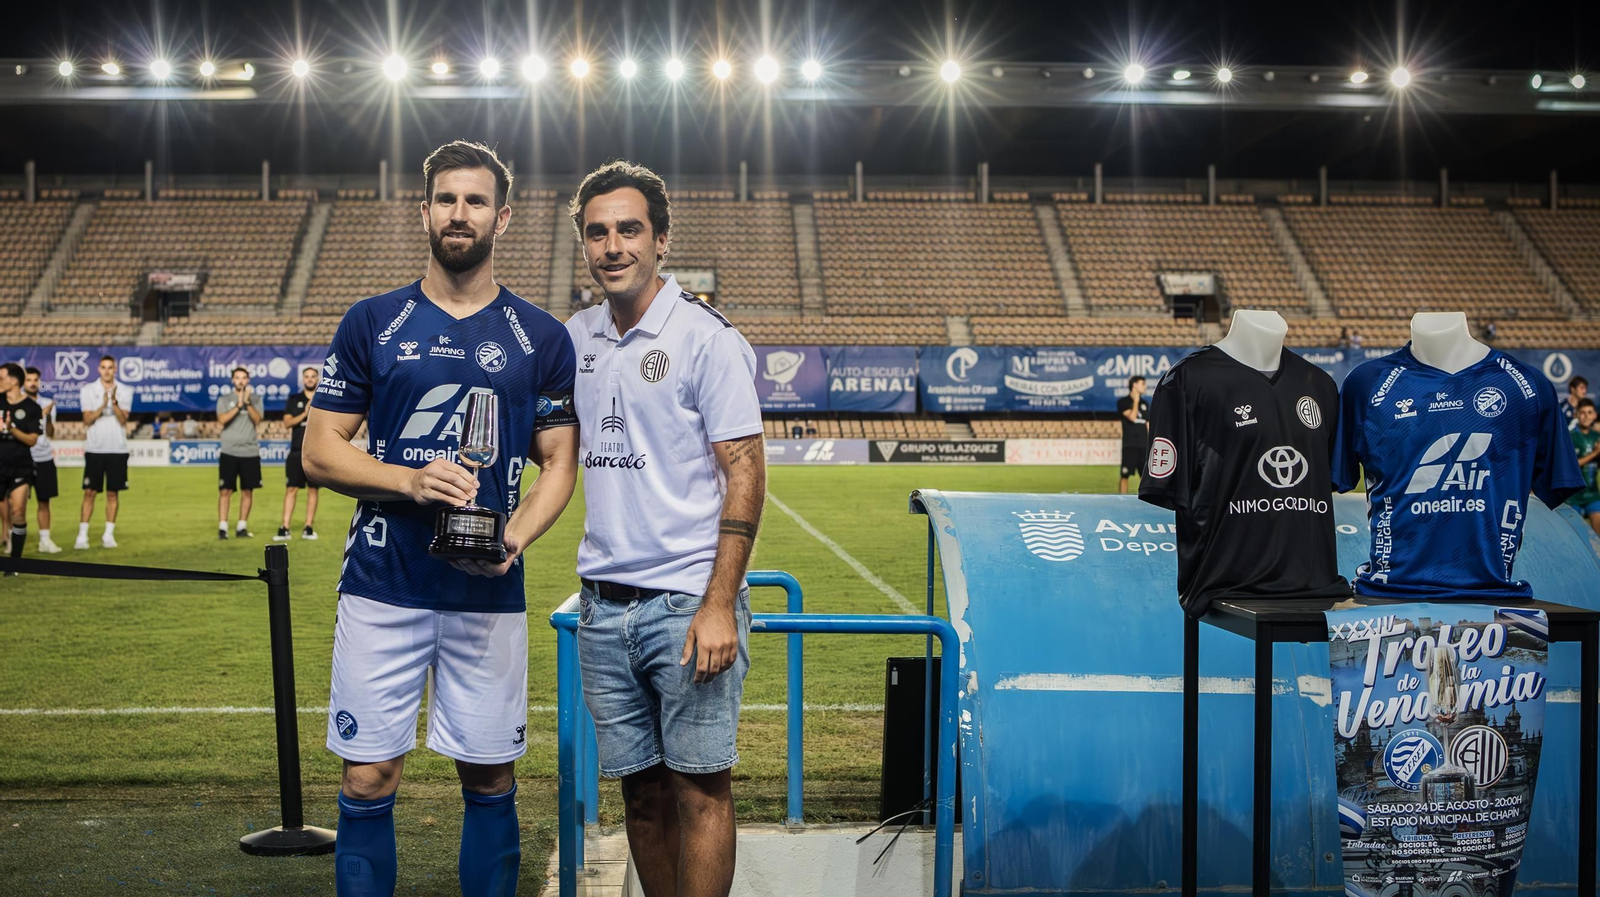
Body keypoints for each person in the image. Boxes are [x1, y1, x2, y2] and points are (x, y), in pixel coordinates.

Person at [302, 140, 578, 897]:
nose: (461, 213)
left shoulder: (540, 337)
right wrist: (409, 480)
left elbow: (560, 460)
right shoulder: (373, 321)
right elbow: (319, 452)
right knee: (367, 774)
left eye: (477, 200)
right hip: (382, 583)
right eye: (448, 199)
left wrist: (514, 537)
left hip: (486, 594)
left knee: (489, 773)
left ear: (504, 216)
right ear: (423, 211)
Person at [565, 160, 765, 897]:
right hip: (601, 605)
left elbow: (745, 469)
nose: (612, 245)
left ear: (661, 240)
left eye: (629, 229)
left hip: (686, 607)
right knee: (640, 794)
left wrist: (720, 603)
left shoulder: (704, 337)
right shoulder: (576, 337)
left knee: (700, 789)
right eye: (597, 232)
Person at [77, 354, 131, 550]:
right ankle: (82, 535)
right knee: (89, 492)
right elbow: (87, 419)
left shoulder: (125, 390)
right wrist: (102, 404)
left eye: (110, 367)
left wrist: (114, 402)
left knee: (112, 494)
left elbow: (123, 420)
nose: (107, 371)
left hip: (117, 449)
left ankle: (108, 535)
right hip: (95, 449)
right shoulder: (88, 390)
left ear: (115, 370)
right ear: (98, 369)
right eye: (103, 367)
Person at [0, 363, 43, 569]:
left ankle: (14, 564)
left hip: (20, 467)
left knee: (18, 512)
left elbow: (32, 440)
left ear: (14, 381)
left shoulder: (31, 408)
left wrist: (12, 429)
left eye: (1, 378)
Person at [216, 366, 264, 539]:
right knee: (225, 490)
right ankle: (223, 527)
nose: (241, 381)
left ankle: (242, 527)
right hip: (229, 450)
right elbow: (222, 420)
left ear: (248, 380)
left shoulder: (256, 399)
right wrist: (238, 405)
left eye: (244, 378)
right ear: (232, 380)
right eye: (237, 377)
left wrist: (248, 402)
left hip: (250, 451)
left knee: (247, 491)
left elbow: (257, 419)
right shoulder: (224, 399)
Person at [277, 366, 321, 541]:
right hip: (296, 452)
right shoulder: (294, 399)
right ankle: (284, 527)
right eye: (307, 376)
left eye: (313, 376)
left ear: (317, 379)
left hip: (316, 453)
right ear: (303, 380)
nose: (310, 379)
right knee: (291, 489)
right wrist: (305, 413)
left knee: (313, 490)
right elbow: (287, 423)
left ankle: (308, 527)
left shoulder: (323, 398)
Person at [22, 367, 62, 553]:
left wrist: (48, 419)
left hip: (44, 458)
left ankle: (45, 540)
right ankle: (11, 539)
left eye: (35, 379)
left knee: (44, 501)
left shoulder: (47, 403)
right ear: (23, 382)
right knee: (17, 503)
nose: (32, 382)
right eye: (29, 379)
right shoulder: (16, 403)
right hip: (22, 458)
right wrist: (40, 414)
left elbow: (51, 434)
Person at [1570, 398, 1600, 536]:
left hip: (1592, 494)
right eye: (1582, 413)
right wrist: (1595, 453)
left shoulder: (1597, 436)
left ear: (1595, 415)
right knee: (1575, 535)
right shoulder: (1570, 436)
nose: (1586, 416)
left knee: (1598, 529)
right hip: (1573, 495)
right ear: (1576, 415)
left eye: (1589, 412)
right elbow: (1572, 465)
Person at [1117, 375, 1150, 494]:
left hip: (1143, 445)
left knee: (1145, 477)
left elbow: (1148, 423)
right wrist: (1135, 401)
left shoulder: (1145, 403)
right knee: (1125, 475)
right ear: (1134, 385)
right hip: (1129, 445)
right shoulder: (1123, 402)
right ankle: (1121, 500)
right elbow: (1132, 417)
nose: (1145, 387)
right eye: (1143, 384)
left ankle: (1144, 500)